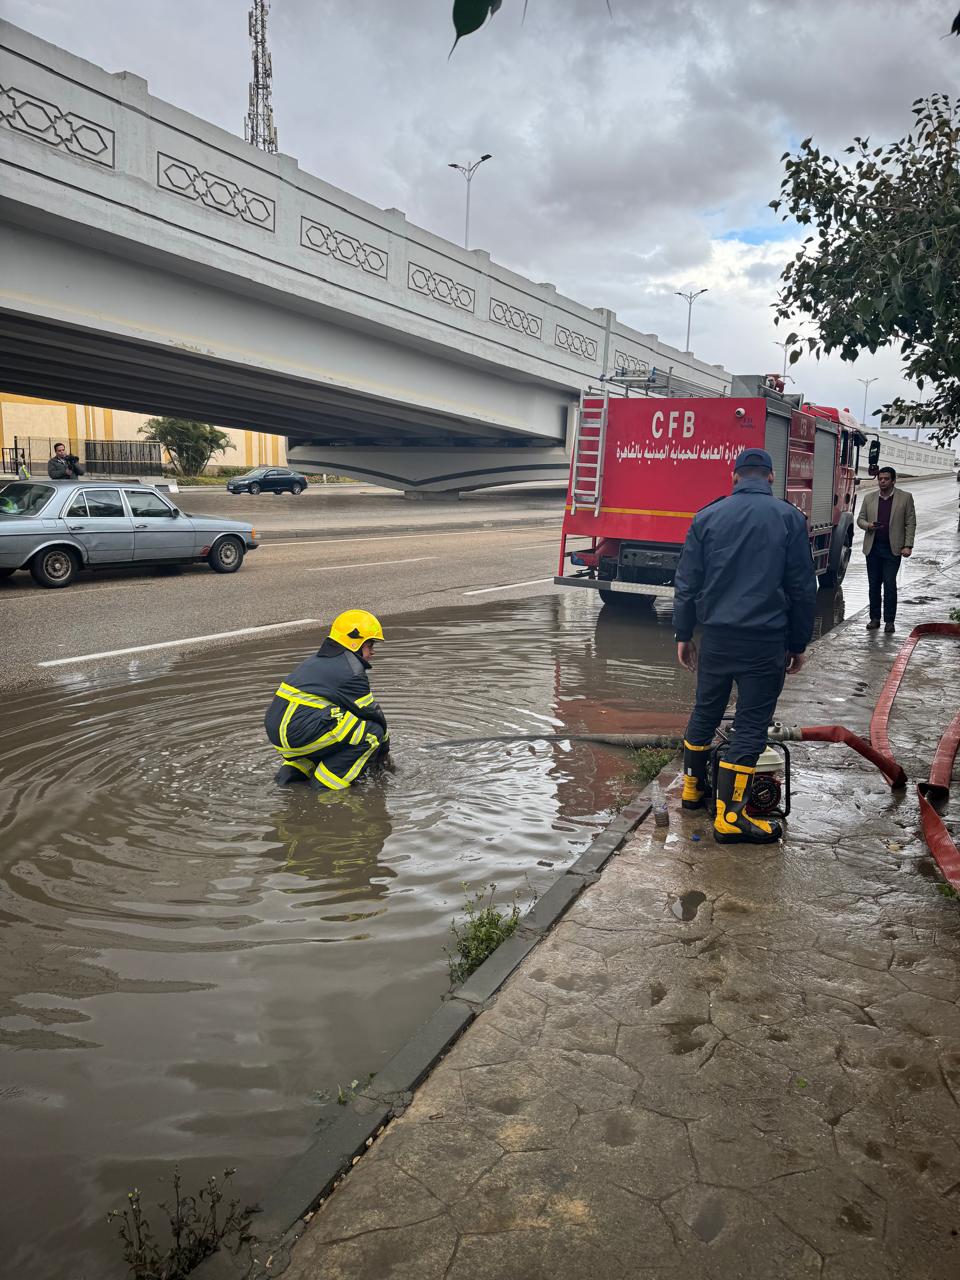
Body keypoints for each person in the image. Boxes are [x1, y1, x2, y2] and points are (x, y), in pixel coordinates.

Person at [673, 448, 817, 845]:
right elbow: (803, 588)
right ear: (770, 477)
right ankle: (730, 818)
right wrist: (798, 643)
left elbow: (686, 583)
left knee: (705, 711)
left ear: (734, 476)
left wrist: (683, 634)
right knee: (751, 725)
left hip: (716, 639)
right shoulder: (789, 518)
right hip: (764, 641)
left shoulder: (707, 517)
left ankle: (692, 791)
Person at [264, 609, 389, 791]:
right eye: (370, 646)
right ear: (355, 643)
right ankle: (325, 790)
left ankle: (289, 779)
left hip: (280, 733)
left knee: (340, 729)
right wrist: (384, 754)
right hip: (301, 731)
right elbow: (373, 714)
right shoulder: (352, 671)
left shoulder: (315, 661)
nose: (372, 653)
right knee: (371, 734)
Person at [856, 466, 916, 634]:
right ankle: (874, 618)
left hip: (893, 549)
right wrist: (868, 525)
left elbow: (910, 522)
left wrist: (908, 545)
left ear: (893, 481)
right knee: (874, 584)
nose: (882, 481)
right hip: (873, 548)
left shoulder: (905, 498)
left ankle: (889, 621)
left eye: (886, 479)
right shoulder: (869, 498)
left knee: (889, 584)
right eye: (880, 478)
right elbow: (860, 519)